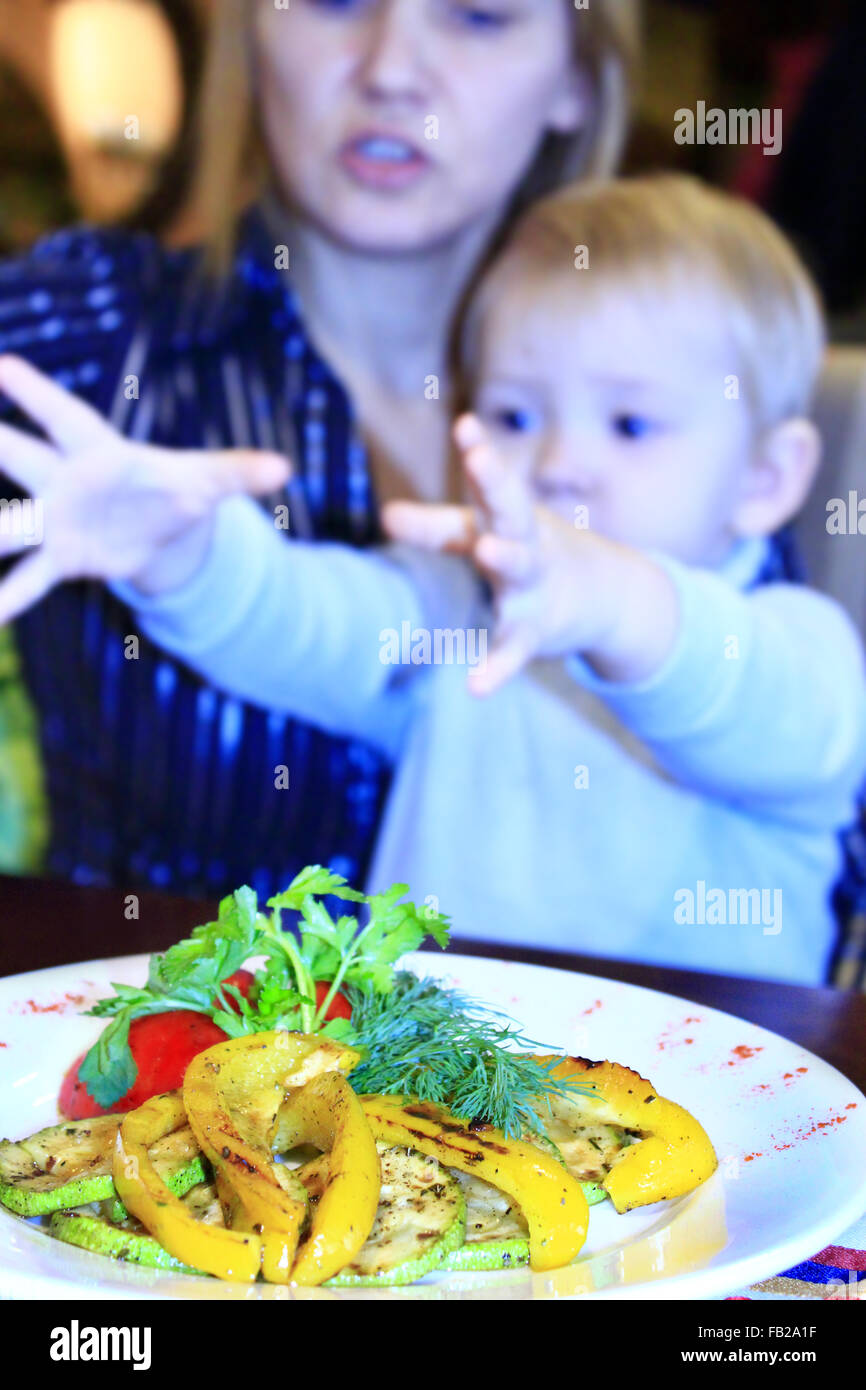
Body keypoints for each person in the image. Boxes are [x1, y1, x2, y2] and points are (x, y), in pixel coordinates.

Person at [103, 175, 866, 985]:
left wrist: (609, 601)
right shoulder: (457, 608)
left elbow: (727, 687)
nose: (559, 467)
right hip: (435, 1083)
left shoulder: (801, 650)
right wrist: (177, 547)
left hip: (716, 1085)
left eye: (631, 423)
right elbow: (301, 620)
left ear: (766, 477)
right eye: (513, 416)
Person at [0, 0, 639, 898]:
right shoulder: (92, 329)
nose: (390, 69)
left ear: (577, 78)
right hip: (136, 1023)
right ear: (251, 40)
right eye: (336, 2)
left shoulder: (672, 388)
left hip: (555, 1040)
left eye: (479, 17)